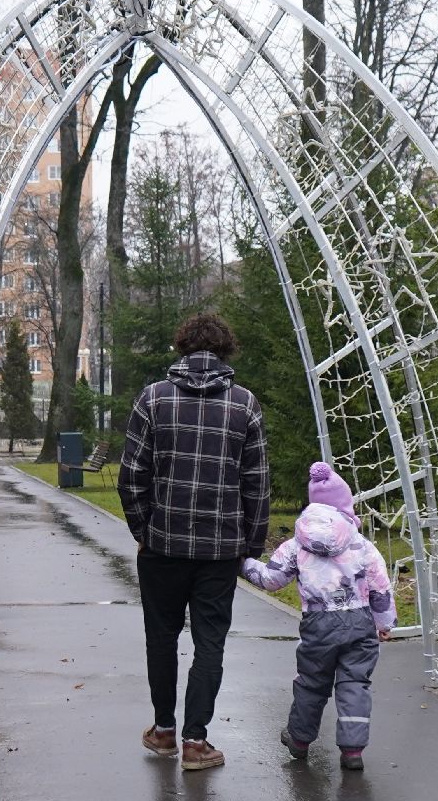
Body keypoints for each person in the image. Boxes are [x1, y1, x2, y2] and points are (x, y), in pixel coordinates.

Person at [120, 313, 269, 772]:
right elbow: (256, 485)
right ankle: (196, 741)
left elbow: (132, 477)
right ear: (226, 350)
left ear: (182, 347)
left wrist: (144, 531)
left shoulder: (154, 399)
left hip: (162, 547)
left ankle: (163, 729)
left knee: (160, 639)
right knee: (210, 643)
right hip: (219, 551)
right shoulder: (245, 405)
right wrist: (252, 545)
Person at [242, 462, 395, 771]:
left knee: (312, 682)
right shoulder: (361, 544)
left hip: (319, 624)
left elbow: (271, 579)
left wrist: (245, 565)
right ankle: (352, 751)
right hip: (359, 621)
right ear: (345, 505)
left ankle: (298, 739)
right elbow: (380, 586)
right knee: (355, 683)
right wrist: (384, 622)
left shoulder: (297, 545)